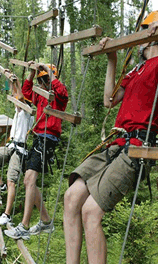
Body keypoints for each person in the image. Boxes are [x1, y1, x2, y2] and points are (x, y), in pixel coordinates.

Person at [64, 12, 158, 264]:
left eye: (144, 31)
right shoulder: (136, 70)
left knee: (91, 211)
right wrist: (112, 59)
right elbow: (109, 101)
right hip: (116, 143)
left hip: (138, 146)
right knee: (72, 197)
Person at [4, 62, 68, 240]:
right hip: (38, 137)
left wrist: (49, 73)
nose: (41, 84)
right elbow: (25, 93)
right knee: (27, 180)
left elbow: (63, 92)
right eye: (40, 81)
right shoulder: (40, 94)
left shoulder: (57, 95)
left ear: (51, 79)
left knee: (30, 179)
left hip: (48, 138)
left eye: (44, 80)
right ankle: (46, 221)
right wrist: (32, 73)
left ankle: (24, 226)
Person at [0, 76, 34, 226]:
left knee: (11, 181)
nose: (15, 102)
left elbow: (20, 97)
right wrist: (11, 81)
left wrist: (16, 82)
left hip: (19, 150)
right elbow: (16, 96)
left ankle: (7, 215)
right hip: (11, 146)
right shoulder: (19, 112)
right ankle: (0, 183)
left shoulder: (27, 113)